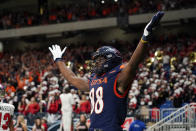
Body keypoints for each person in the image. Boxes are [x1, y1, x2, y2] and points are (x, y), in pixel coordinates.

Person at [49, 11, 164, 131]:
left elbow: (133, 64)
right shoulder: (94, 79)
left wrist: (145, 37)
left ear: (110, 59)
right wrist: (58, 60)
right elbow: (72, 78)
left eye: (100, 59)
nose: (96, 62)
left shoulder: (118, 77)